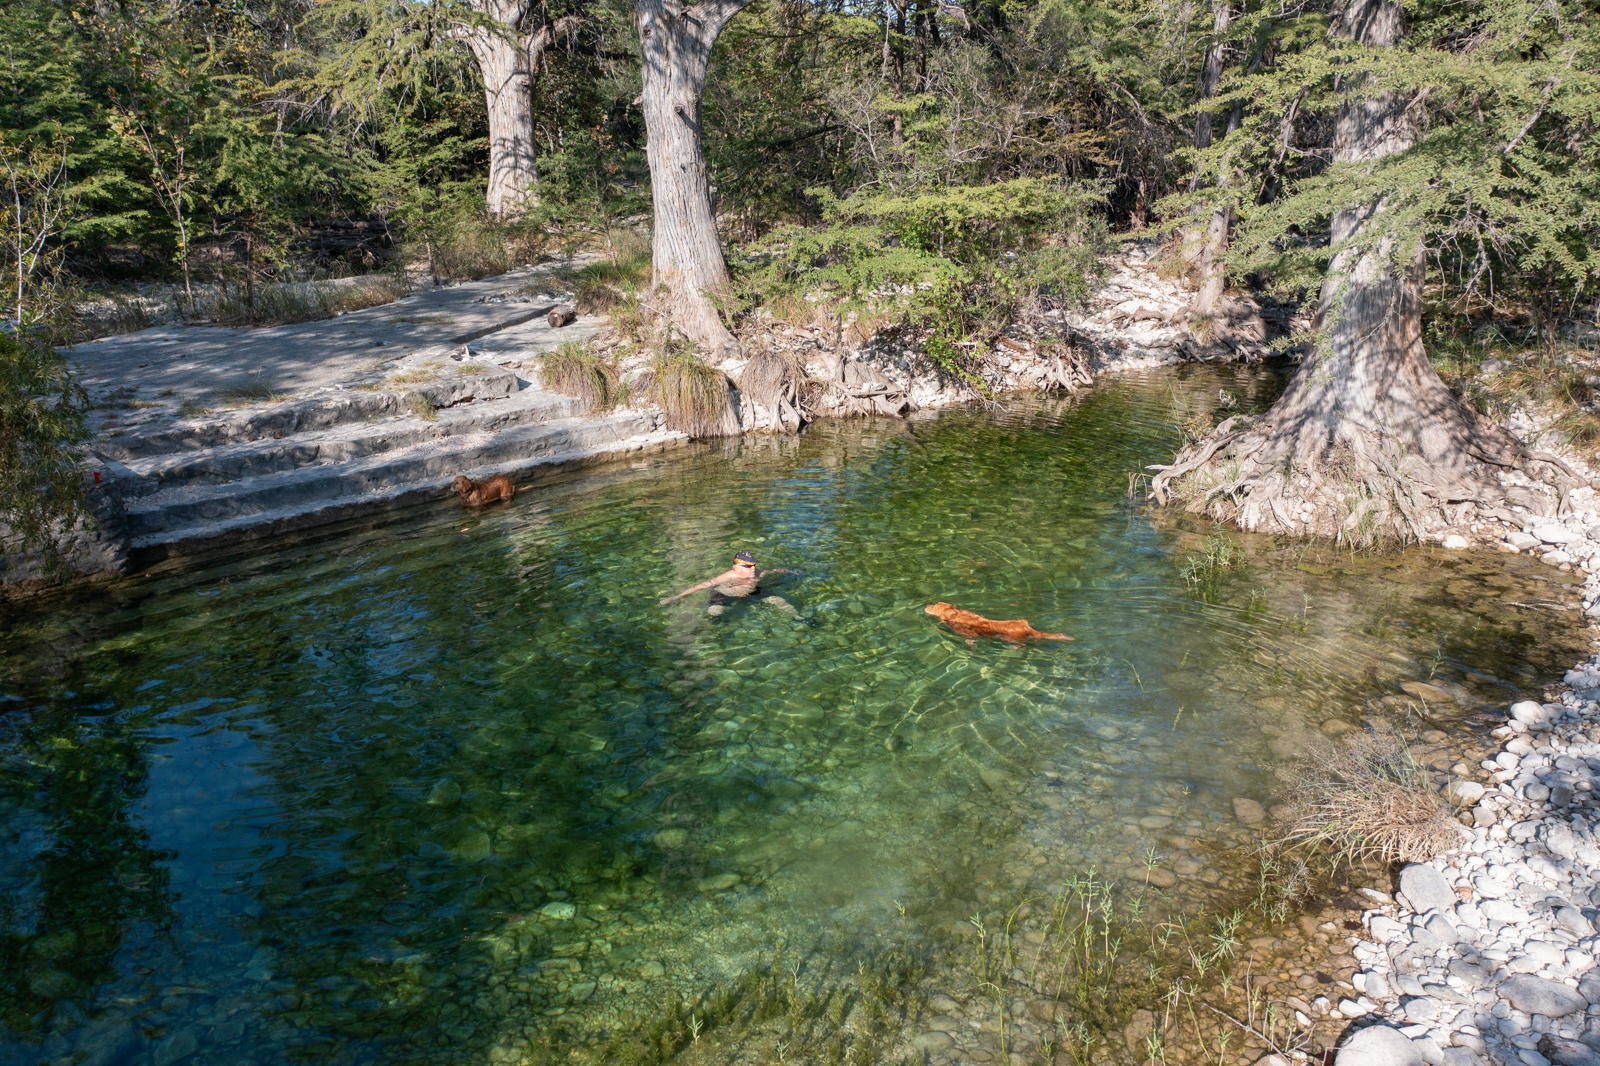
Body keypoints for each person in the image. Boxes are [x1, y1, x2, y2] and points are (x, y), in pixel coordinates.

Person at [660, 550, 799, 615]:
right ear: (737, 568)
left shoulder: (757, 572)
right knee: (716, 612)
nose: (753, 568)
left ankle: (798, 618)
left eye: (754, 565)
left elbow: (773, 571)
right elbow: (702, 585)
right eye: (748, 566)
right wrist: (676, 597)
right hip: (724, 594)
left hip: (749, 592)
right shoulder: (727, 577)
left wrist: (790, 571)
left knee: (778, 600)